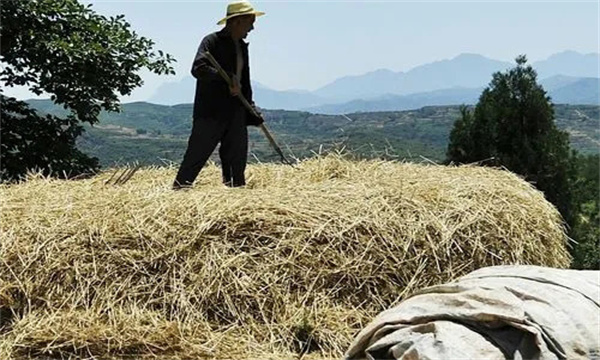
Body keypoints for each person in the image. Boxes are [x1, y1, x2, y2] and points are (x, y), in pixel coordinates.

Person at [173, 1, 265, 189]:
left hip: (236, 110)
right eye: (250, 22)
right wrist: (224, 79)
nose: (253, 28)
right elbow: (198, 68)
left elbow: (244, 82)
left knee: (236, 157)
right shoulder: (211, 41)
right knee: (197, 154)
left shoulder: (242, 47)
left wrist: (251, 109)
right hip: (211, 111)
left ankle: (236, 194)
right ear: (237, 22)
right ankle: (179, 189)